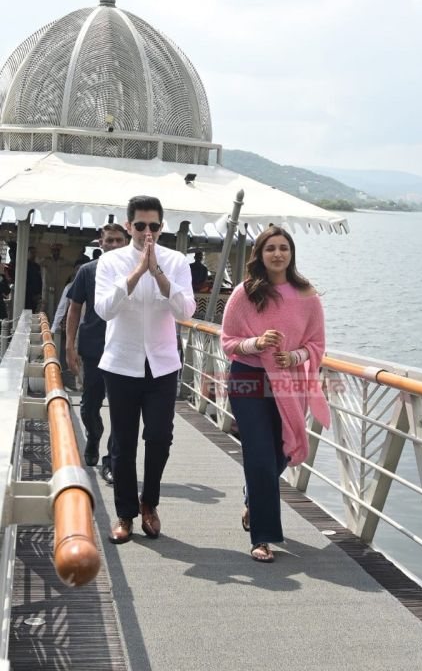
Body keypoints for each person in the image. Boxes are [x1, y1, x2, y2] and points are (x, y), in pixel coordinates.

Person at [221, 225, 330, 563]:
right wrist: (257, 344)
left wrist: (293, 356)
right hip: (247, 378)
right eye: (271, 248)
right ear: (260, 254)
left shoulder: (307, 295)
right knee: (258, 454)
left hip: (287, 380)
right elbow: (228, 341)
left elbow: (317, 344)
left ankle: (253, 499)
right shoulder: (245, 293)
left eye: (284, 247)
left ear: (291, 253)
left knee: (283, 449)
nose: (278, 254)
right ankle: (263, 538)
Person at [95, 195, 196, 544]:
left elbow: (186, 311)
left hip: (162, 364)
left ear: (162, 226)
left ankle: (149, 502)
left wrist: (159, 274)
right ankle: (125, 514)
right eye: (140, 226)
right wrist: (137, 273)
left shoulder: (176, 261)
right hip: (121, 363)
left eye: (154, 226)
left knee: (158, 437)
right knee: (123, 443)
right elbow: (104, 310)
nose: (147, 233)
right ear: (128, 226)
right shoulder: (110, 262)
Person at [66, 224, 128, 481]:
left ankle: (111, 461)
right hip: (94, 347)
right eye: (109, 241)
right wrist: (69, 345)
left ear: (126, 242)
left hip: (125, 349)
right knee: (89, 405)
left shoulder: (134, 272)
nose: (113, 245)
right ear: (100, 243)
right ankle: (93, 434)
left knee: (122, 410)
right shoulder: (87, 271)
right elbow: (74, 308)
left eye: (118, 241)